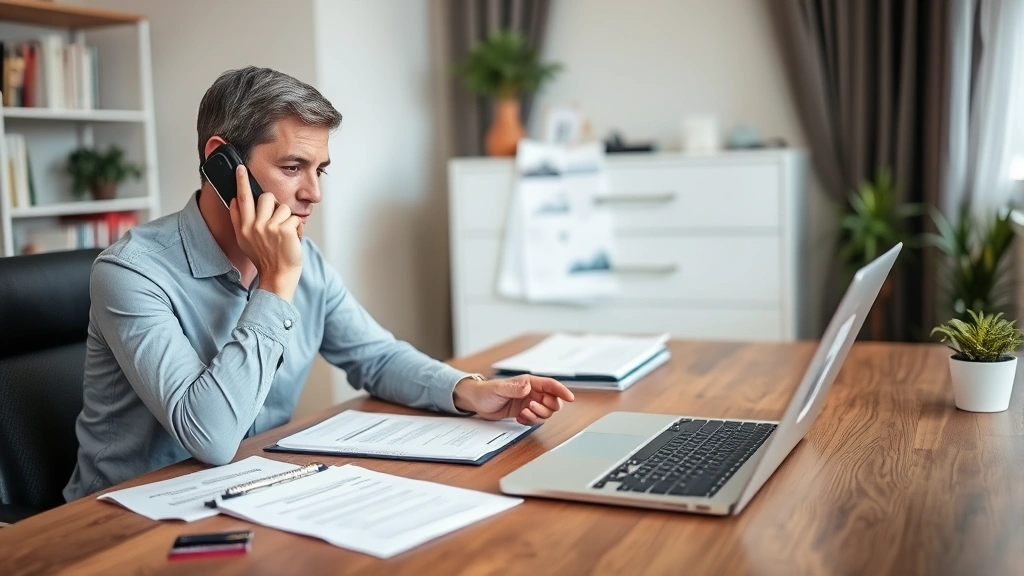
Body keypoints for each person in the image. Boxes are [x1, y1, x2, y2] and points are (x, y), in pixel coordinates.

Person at [63, 66, 574, 501]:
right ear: (222, 163)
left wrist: (469, 391)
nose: (313, 193)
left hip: (244, 491)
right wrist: (276, 282)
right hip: (119, 520)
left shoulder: (306, 260)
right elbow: (213, 436)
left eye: (320, 170)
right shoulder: (131, 273)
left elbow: (376, 356)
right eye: (292, 167)